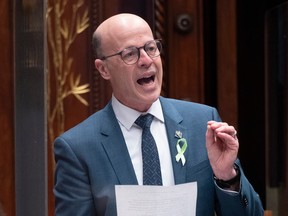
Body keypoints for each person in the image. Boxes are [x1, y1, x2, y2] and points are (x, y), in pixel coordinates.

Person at [53, 13, 264, 215]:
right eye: (130, 54)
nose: (146, 60)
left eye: (151, 48)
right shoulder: (78, 148)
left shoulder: (202, 123)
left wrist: (226, 176)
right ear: (103, 69)